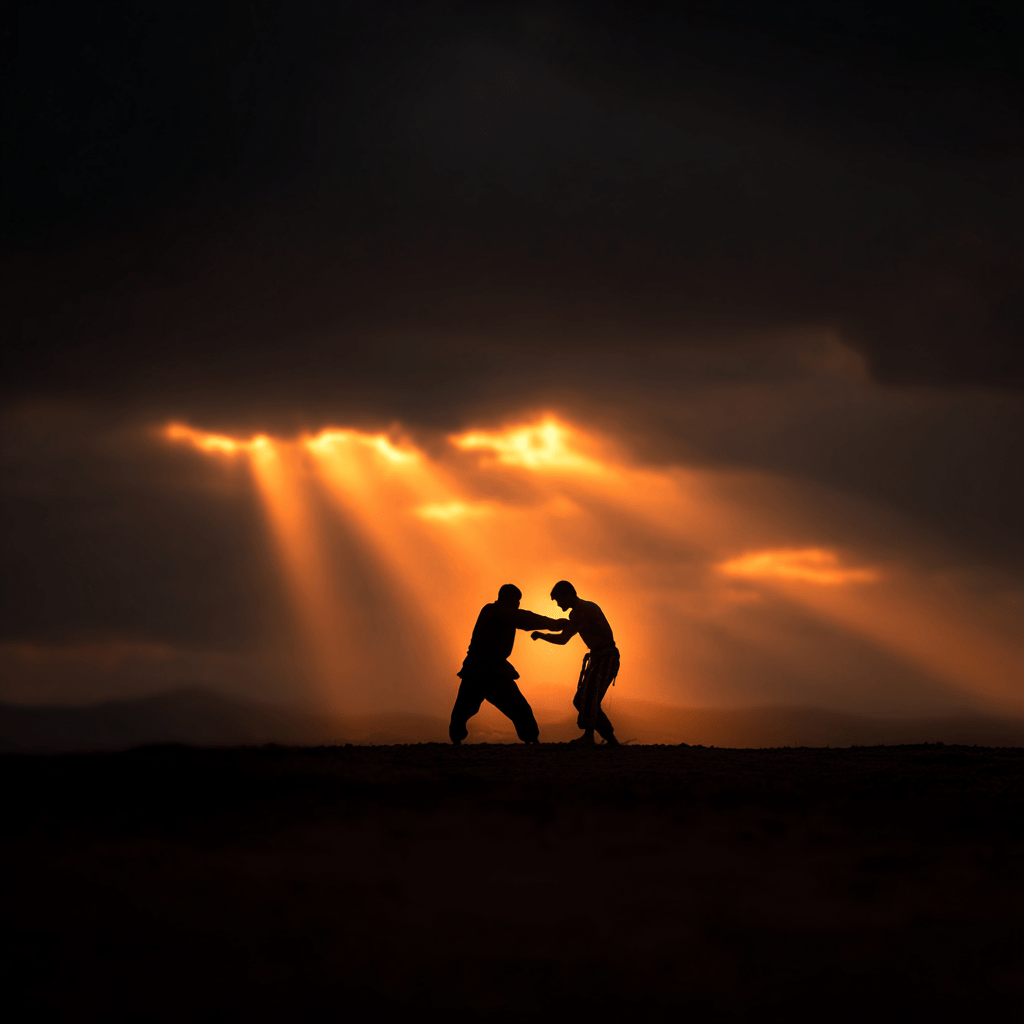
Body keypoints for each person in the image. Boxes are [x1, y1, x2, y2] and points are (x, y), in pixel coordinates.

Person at [449, 584, 567, 745]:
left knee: (518, 708)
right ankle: (456, 740)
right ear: (507, 599)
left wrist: (553, 625)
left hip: (490, 671)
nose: (518, 604)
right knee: (463, 711)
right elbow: (524, 618)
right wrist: (554, 624)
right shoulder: (493, 611)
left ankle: (532, 740)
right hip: (482, 671)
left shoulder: (499, 613)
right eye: (516, 600)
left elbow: (522, 617)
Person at [532, 580, 620, 746]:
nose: (558, 605)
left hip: (606, 658)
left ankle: (589, 737)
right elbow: (566, 631)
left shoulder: (583, 610)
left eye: (559, 600)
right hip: (598, 658)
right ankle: (611, 740)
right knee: (581, 699)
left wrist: (542, 635)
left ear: (567, 596)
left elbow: (563, 639)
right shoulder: (581, 611)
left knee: (589, 696)